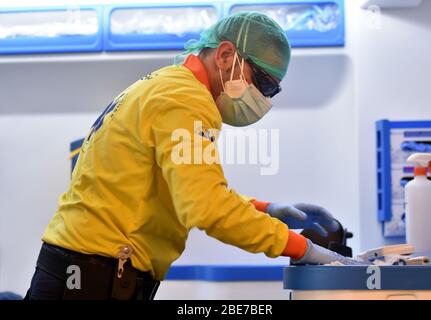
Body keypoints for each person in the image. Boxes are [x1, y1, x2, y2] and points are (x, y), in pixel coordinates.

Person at [25, 11, 358, 300]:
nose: (264, 98)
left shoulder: (165, 85)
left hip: (82, 268)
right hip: (92, 275)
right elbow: (208, 207)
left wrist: (267, 210)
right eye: (264, 83)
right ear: (226, 55)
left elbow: (188, 189)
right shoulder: (187, 99)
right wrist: (309, 251)